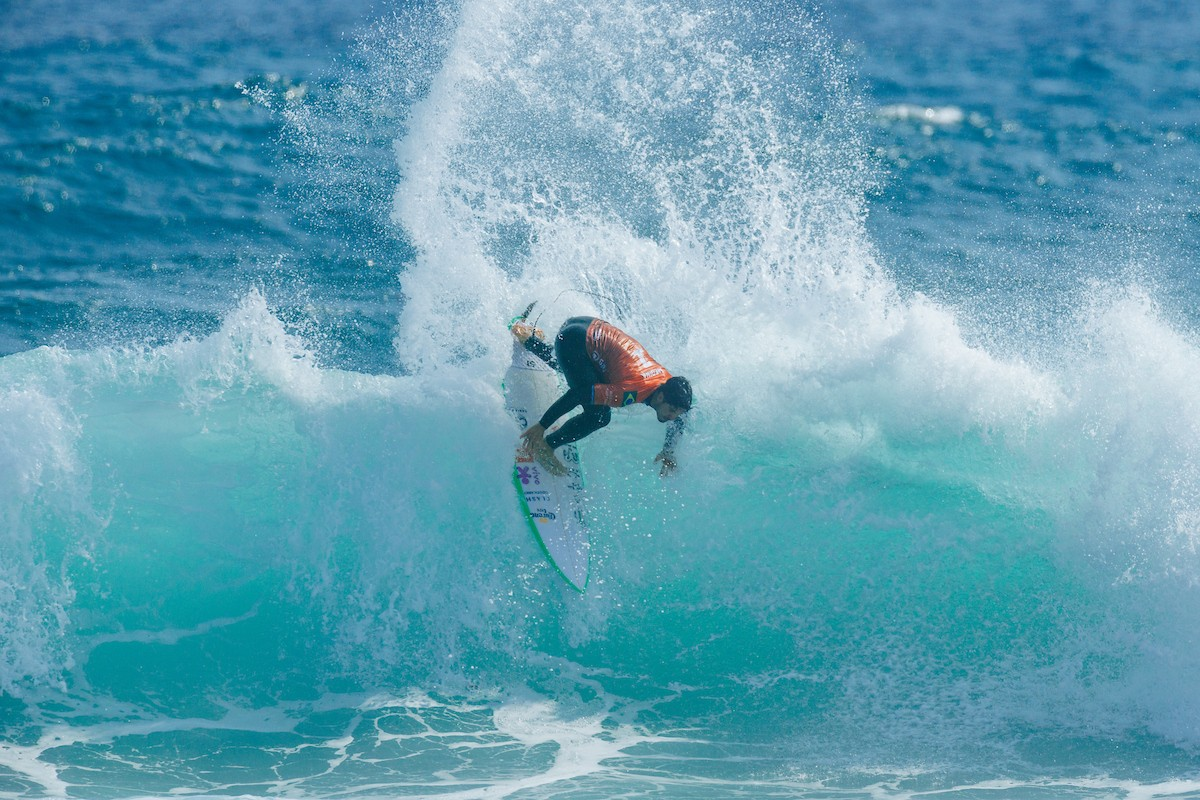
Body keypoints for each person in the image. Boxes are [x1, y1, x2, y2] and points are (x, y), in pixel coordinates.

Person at [511, 313, 692, 477]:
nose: (673, 416)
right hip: (573, 340)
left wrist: (668, 450)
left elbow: (680, 418)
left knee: (576, 372)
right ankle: (546, 446)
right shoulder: (630, 392)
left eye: (677, 412)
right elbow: (579, 394)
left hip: (585, 325)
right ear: (660, 398)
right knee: (598, 416)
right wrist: (542, 425)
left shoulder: (667, 383)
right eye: (672, 410)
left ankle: (527, 338)